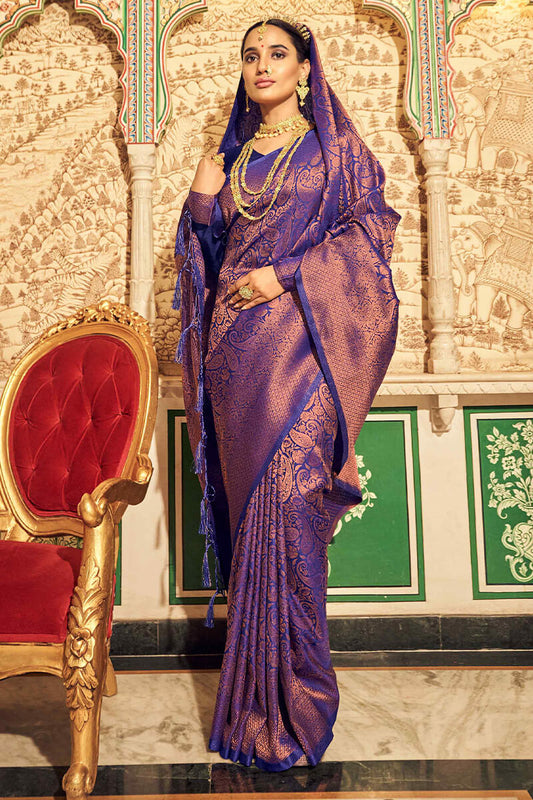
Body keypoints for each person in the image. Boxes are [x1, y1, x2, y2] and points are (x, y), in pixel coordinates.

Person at [174, 17, 400, 772]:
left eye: (277, 54)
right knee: (254, 526)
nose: (262, 65)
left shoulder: (336, 152)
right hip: (237, 359)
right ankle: (251, 711)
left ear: (305, 69)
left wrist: (288, 274)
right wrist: (200, 202)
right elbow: (206, 260)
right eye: (250, 56)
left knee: (292, 514)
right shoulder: (232, 158)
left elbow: (371, 235)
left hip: (304, 353)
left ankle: (299, 708)